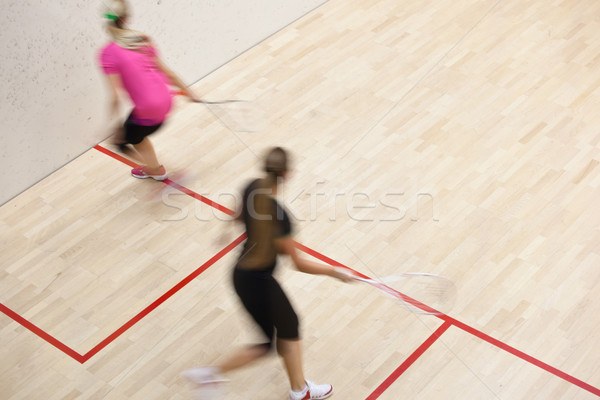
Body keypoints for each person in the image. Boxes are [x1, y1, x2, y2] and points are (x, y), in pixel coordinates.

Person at [182, 147, 355, 400]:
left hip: (241, 275)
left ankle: (299, 389)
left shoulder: (251, 187)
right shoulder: (281, 216)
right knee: (267, 344)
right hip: (259, 282)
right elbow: (298, 264)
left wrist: (226, 230)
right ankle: (210, 374)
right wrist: (335, 272)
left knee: (288, 327)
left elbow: (239, 213)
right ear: (287, 173)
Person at [98, 0, 200, 180]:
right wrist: (189, 92)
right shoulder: (142, 40)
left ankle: (161, 170)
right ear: (126, 18)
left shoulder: (107, 53)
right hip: (167, 100)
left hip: (148, 109)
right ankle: (155, 170)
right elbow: (168, 73)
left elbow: (115, 97)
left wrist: (113, 126)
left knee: (120, 142)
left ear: (106, 21)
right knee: (137, 136)